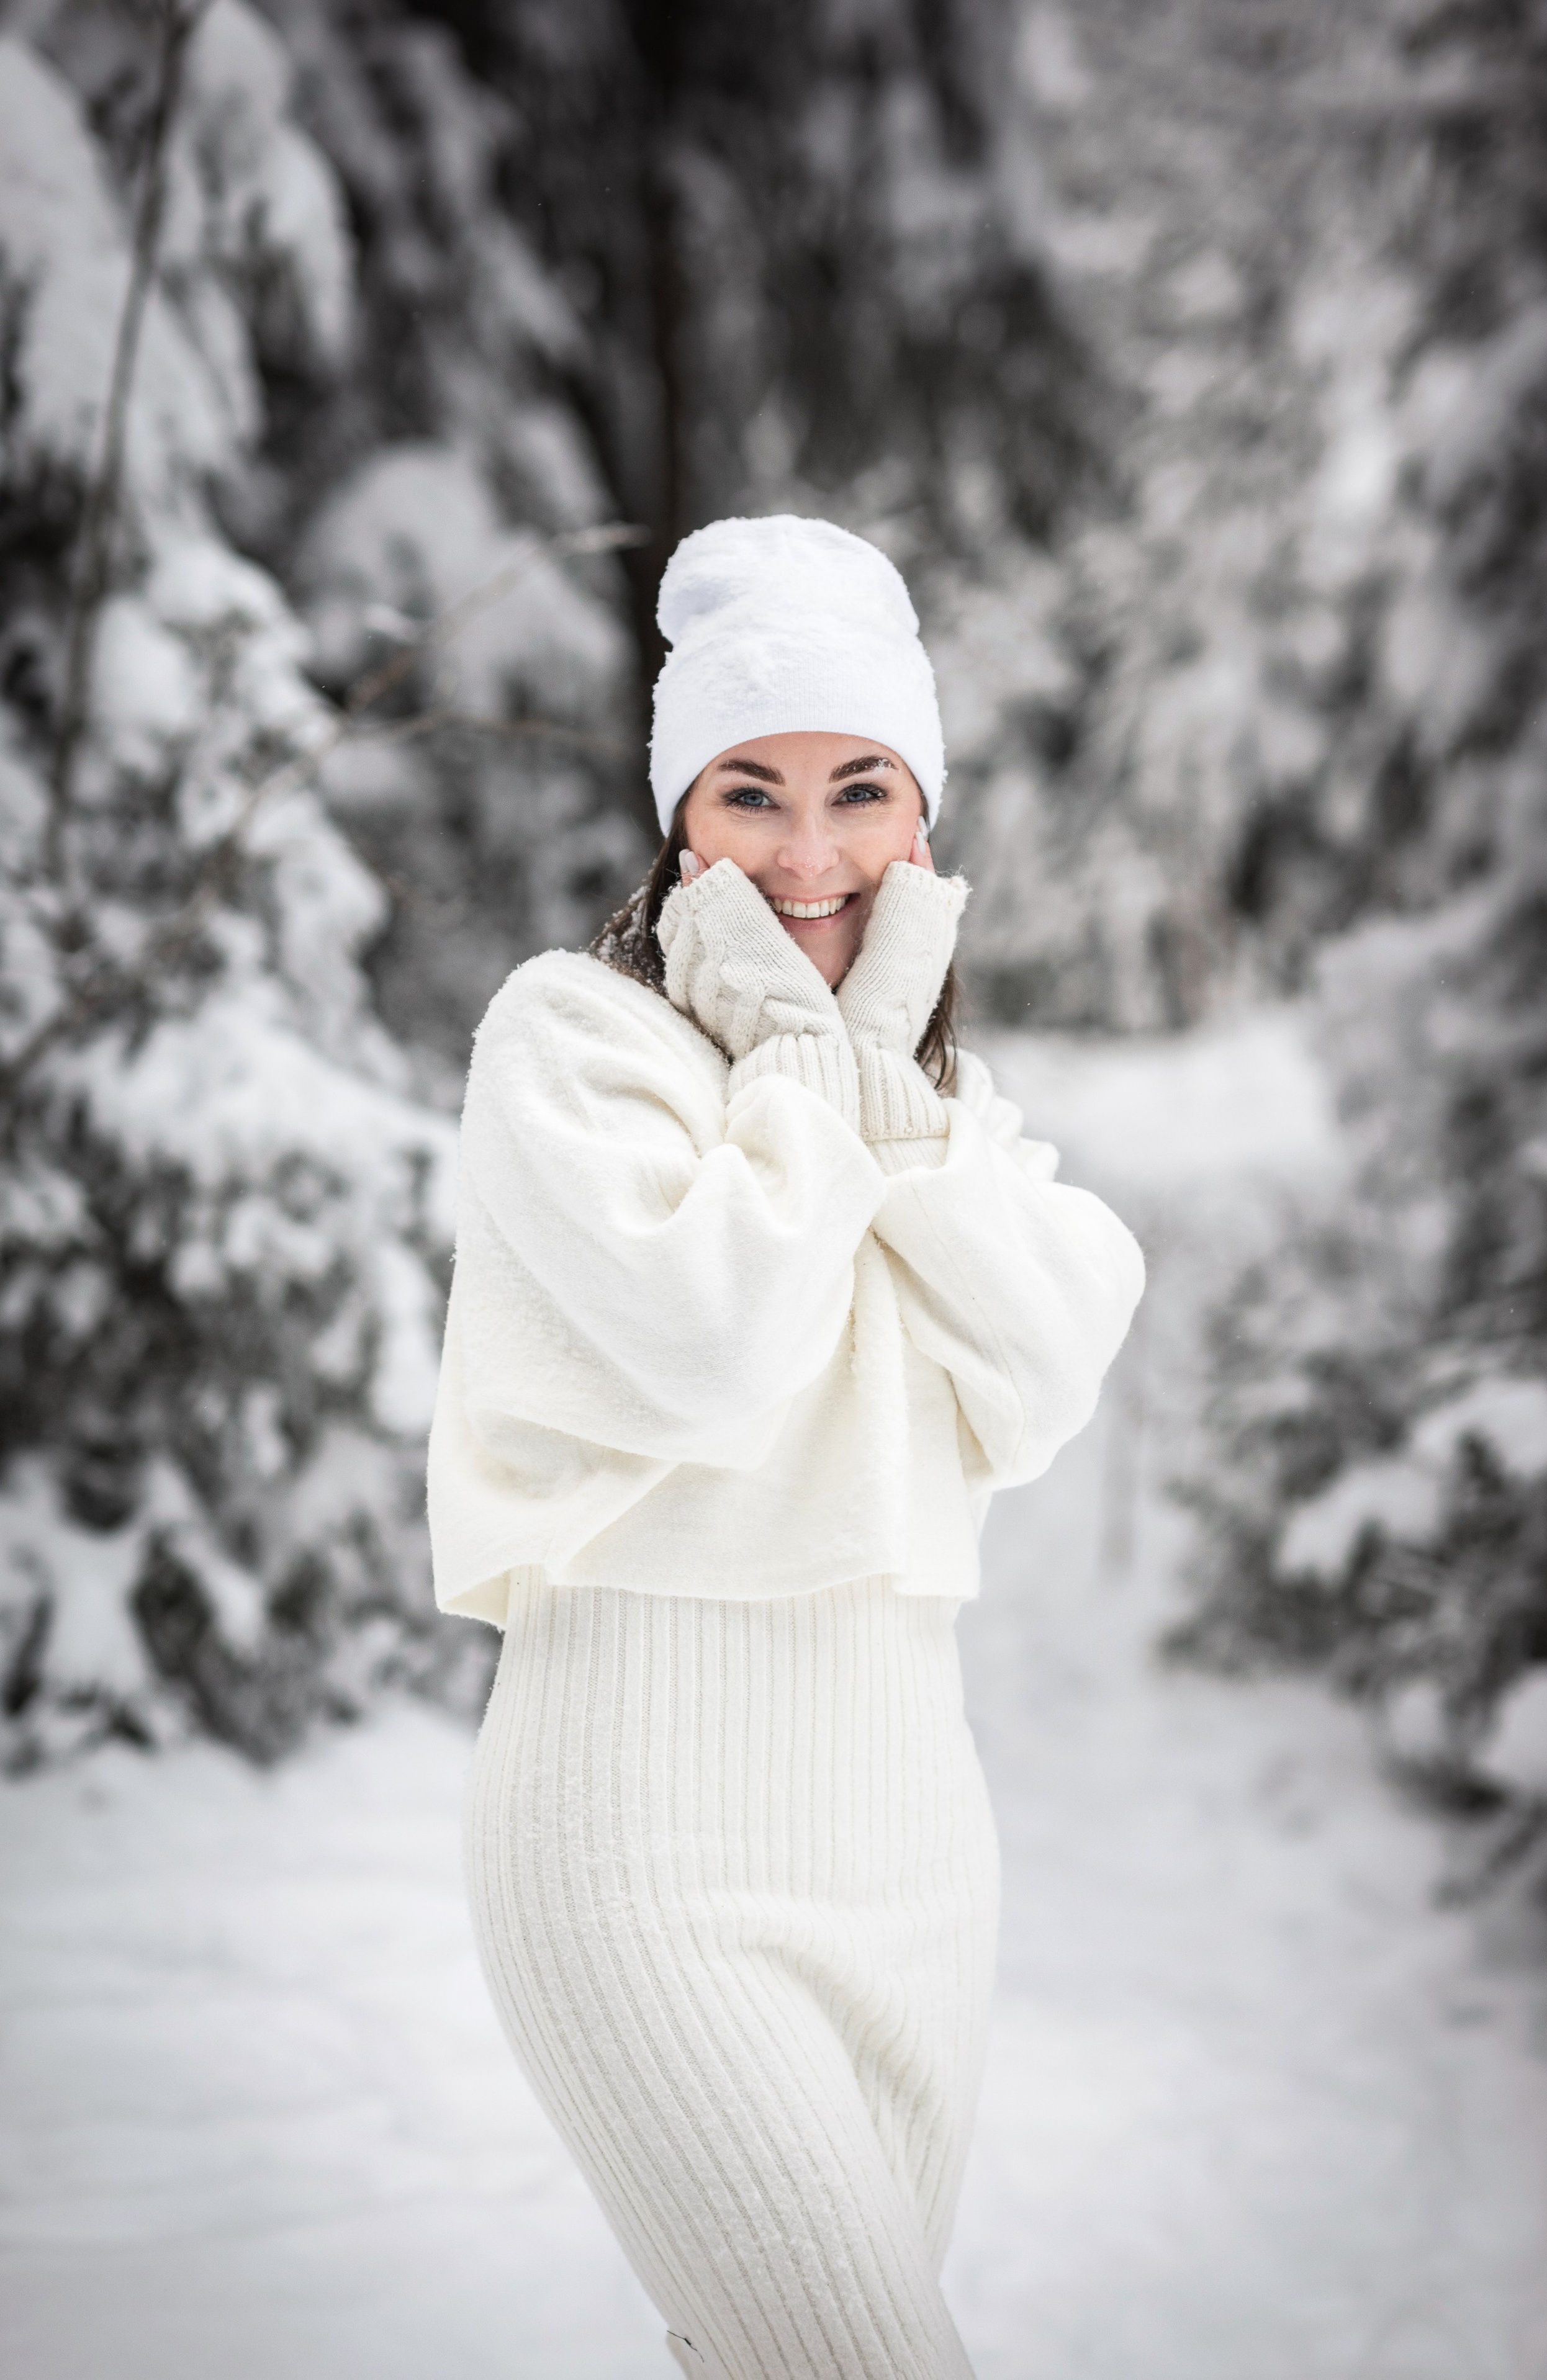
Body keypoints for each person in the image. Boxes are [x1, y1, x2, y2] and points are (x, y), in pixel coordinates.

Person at [427, 513, 1145, 2379]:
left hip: (914, 1843)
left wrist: (885, 1094)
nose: (810, 855)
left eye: (859, 791)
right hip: (639, 1845)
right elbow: (705, 1341)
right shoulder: (575, 1046)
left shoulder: (936, 1108)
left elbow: (1057, 1355)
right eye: (751, 792)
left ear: (925, 820)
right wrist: (821, 1082)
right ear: (682, 819)